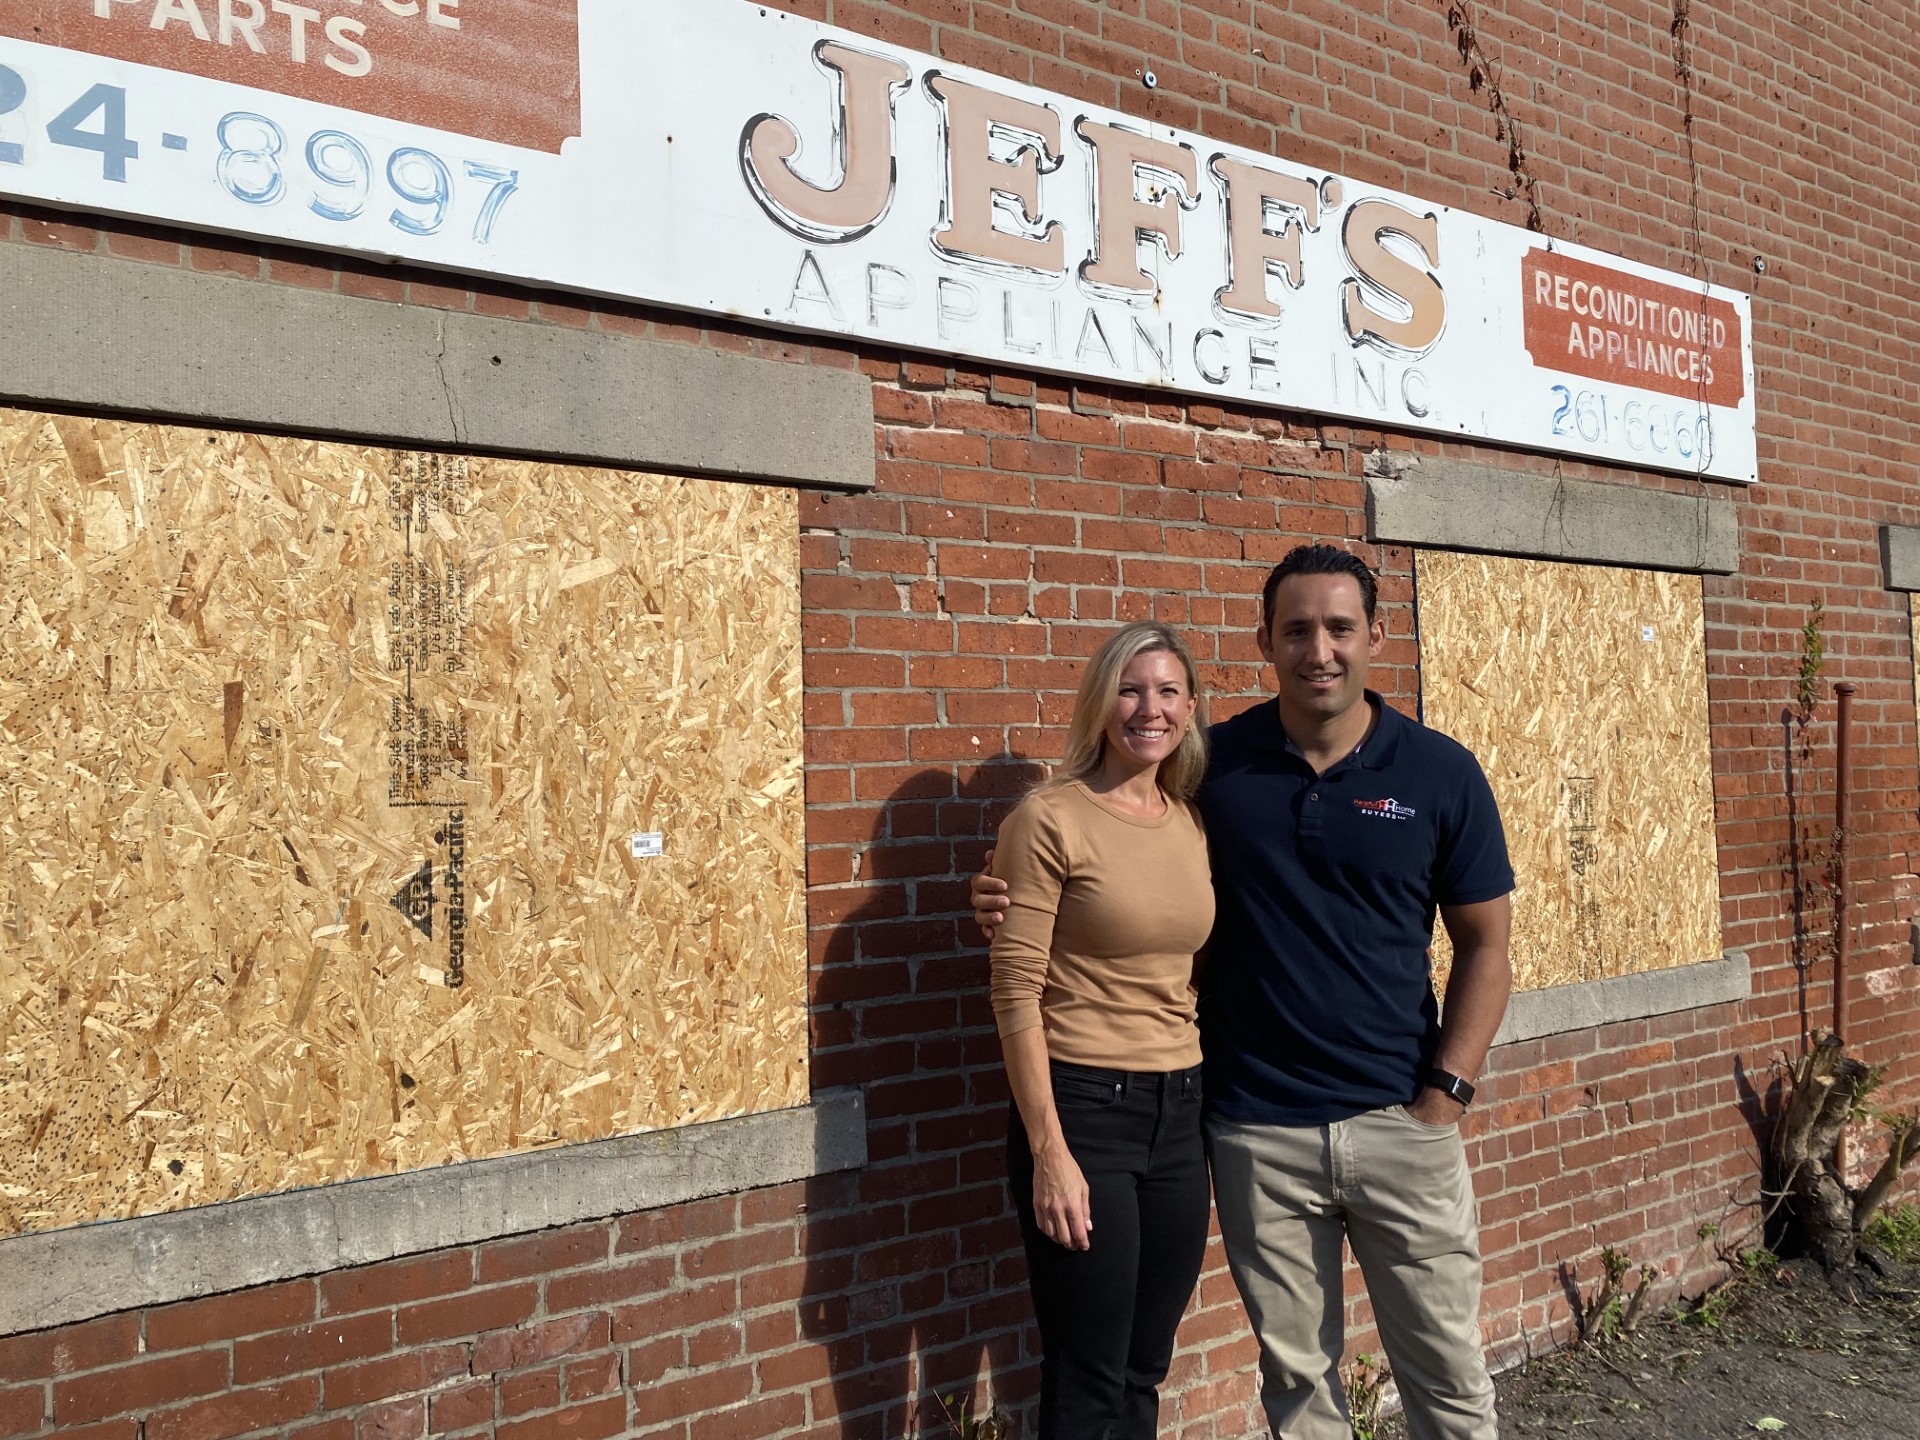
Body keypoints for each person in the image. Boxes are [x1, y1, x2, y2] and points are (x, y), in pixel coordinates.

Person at [974, 546, 1514, 1440]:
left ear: (1377, 635)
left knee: (1450, 1382)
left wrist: (1446, 1096)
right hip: (1257, 1131)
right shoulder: (1214, 772)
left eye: (1341, 628)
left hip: (1400, 1127)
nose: (1320, 650)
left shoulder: (1439, 773)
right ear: (1264, 640)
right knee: (1298, 1390)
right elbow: (1101, 848)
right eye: (1297, 630)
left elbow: (1488, 945)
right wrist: (1001, 895)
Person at [988, 620, 1216, 1440]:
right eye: (1128, 688)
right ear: (1099, 701)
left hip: (1181, 1117)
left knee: (1142, 1368)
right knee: (1088, 1375)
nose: (1147, 708)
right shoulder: (1050, 818)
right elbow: (1015, 991)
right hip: (1084, 1111)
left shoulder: (1193, 822)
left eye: (1165, 690)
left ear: (1189, 708)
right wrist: (1050, 1150)